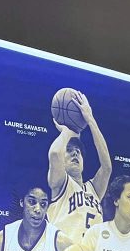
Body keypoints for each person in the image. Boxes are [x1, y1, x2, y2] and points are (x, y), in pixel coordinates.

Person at [46, 92, 112, 242]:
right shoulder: (60, 183)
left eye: (78, 152)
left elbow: (107, 166)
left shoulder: (93, 190)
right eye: (69, 151)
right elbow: (55, 153)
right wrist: (68, 131)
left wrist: (90, 119)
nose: (75, 153)